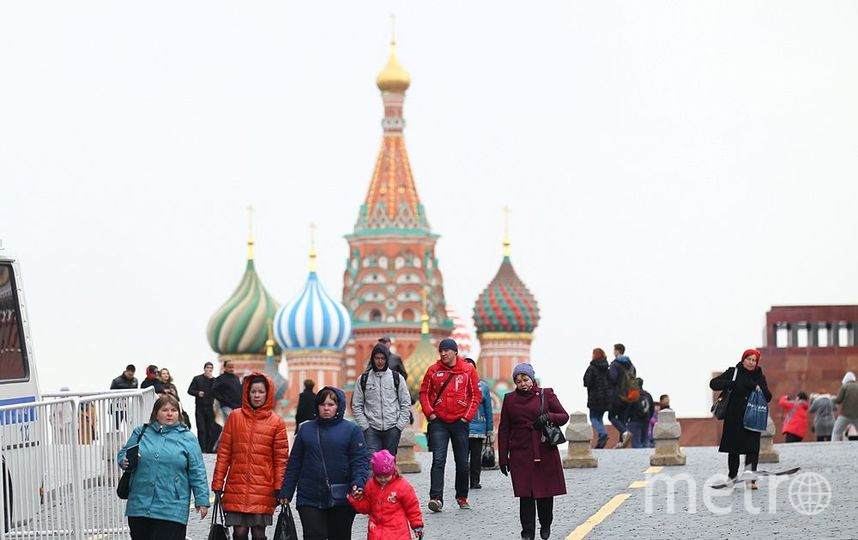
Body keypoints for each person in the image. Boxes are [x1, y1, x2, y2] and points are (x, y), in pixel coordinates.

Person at [279, 387, 370, 540]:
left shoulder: (352, 430)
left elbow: (360, 461)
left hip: (341, 497)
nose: (326, 408)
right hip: (309, 496)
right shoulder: (305, 429)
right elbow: (295, 462)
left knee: (339, 536)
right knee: (314, 535)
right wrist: (286, 491)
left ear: (338, 406)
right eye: (322, 404)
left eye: (331, 404)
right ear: (317, 406)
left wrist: (358, 484)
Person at [117, 394, 209, 539]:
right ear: (156, 413)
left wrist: (202, 500)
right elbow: (124, 453)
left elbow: (197, 471)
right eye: (165, 410)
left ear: (179, 414)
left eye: (174, 410)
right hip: (140, 505)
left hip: (172, 506)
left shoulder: (188, 438)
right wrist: (124, 460)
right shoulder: (141, 432)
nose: (170, 413)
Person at [212, 373, 288, 540]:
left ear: (267, 394)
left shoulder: (277, 422)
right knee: (239, 532)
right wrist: (218, 482)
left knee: (258, 533)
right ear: (247, 392)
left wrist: (280, 488)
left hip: (263, 487)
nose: (256, 395)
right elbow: (224, 452)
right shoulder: (235, 417)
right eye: (253, 391)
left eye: (261, 392)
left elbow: (281, 459)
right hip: (237, 485)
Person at [498, 363, 569, 540]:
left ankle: (546, 524)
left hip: (544, 450)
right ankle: (527, 533)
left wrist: (548, 417)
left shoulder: (546, 394)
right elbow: (504, 429)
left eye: (525, 379)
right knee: (525, 495)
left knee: (545, 494)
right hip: (520, 452)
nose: (522, 383)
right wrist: (503, 458)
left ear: (532, 378)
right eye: (518, 380)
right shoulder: (509, 399)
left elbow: (564, 416)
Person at [419, 338, 481, 512]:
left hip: (460, 422)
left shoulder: (468, 370)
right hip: (439, 422)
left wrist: (466, 417)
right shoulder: (433, 371)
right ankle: (436, 498)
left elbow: (475, 396)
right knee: (438, 460)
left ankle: (462, 497)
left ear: (455, 352)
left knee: (462, 462)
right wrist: (430, 413)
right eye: (441, 351)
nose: (443, 353)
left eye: (447, 350)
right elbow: (424, 393)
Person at [709, 349, 772, 489]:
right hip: (734, 418)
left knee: (752, 449)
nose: (751, 362)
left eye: (754, 360)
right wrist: (730, 384)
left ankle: (750, 480)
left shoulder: (759, 377)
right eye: (749, 359)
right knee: (734, 449)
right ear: (743, 360)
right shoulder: (733, 372)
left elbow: (768, 397)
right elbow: (713, 384)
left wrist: (759, 388)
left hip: (752, 417)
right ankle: (732, 477)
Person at [348, 450, 424, 540]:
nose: (383, 479)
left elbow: (412, 508)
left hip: (398, 533)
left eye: (386, 476)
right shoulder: (370, 485)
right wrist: (356, 499)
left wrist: (417, 525)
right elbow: (367, 508)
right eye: (379, 476)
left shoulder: (403, 486)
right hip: (376, 533)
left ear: (393, 471)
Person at [352, 343, 411, 456]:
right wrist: (365, 426)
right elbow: (356, 405)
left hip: (392, 428)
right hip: (371, 429)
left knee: (388, 464)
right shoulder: (363, 379)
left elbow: (405, 403)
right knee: (372, 463)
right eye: (377, 358)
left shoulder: (397, 378)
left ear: (387, 359)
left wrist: (399, 426)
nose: (380, 361)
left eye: (383, 358)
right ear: (372, 359)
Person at [464, 358, 493, 489]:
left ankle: (474, 481)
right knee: (462, 458)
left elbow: (488, 409)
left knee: (476, 457)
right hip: (461, 427)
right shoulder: (458, 385)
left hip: (478, 429)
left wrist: (489, 429)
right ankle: (463, 480)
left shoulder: (483, 387)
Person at [607, 344, 636, 448]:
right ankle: (621, 442)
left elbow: (613, 379)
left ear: (617, 351)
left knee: (611, 416)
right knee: (622, 418)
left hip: (617, 395)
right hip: (630, 395)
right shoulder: (631, 365)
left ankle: (624, 432)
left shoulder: (615, 364)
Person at [582, 348, 612, 448]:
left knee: (593, 418)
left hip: (595, 397)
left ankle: (602, 433)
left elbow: (587, 382)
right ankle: (601, 438)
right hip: (605, 397)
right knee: (599, 418)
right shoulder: (606, 367)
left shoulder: (592, 367)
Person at [187, 362, 216, 453]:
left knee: (210, 428)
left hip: (211, 407)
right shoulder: (197, 379)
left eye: (211, 368)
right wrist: (197, 393)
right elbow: (190, 390)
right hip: (200, 407)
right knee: (201, 428)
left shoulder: (214, 380)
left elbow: (217, 391)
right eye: (208, 367)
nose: (209, 370)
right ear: (204, 369)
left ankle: (209, 449)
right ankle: (201, 449)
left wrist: (212, 380)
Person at [628, 378, 655, 448]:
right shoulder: (648, 395)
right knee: (645, 441)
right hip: (646, 421)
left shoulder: (633, 394)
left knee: (636, 443)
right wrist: (648, 418)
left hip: (634, 421)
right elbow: (652, 408)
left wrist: (628, 418)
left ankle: (638, 458)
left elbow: (628, 408)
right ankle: (646, 456)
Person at [832, 371, 858, 442]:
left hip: (845, 415)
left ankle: (832, 448)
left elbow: (839, 400)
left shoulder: (844, 387)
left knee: (836, 433)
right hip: (856, 415)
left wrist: (833, 399)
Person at [110, 364, 139, 428]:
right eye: (129, 374)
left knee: (132, 425)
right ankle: (115, 438)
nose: (130, 376)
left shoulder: (135, 381)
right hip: (118, 406)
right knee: (116, 426)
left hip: (130, 406)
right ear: (126, 371)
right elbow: (111, 394)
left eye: (132, 375)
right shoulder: (116, 381)